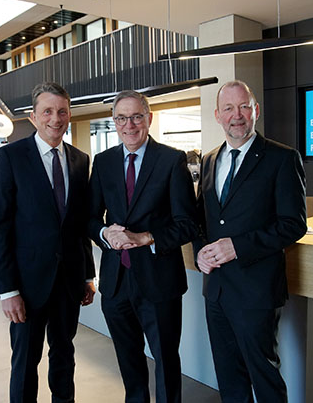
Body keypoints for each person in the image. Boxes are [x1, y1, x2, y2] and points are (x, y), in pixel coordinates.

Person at [195, 80, 307, 403]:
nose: (237, 115)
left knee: (265, 379)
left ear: (256, 110)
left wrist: (237, 246)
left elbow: (293, 224)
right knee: (229, 381)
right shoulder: (209, 160)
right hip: (215, 291)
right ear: (217, 115)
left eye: (244, 106)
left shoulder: (282, 158)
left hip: (256, 292)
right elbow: (202, 218)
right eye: (228, 108)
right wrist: (200, 251)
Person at [88, 90, 199, 403]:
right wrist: (103, 232)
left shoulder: (171, 159)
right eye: (122, 118)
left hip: (159, 280)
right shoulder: (104, 161)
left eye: (137, 116)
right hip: (115, 282)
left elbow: (188, 224)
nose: (130, 125)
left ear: (149, 119)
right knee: (128, 358)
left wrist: (146, 237)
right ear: (114, 122)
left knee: (165, 358)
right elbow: (90, 217)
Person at [0, 82, 96, 403]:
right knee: (25, 361)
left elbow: (78, 225)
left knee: (64, 356)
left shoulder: (79, 160)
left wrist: (87, 275)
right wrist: (7, 290)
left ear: (69, 115)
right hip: (27, 286)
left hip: (68, 283)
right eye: (47, 111)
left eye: (61, 111)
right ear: (33, 117)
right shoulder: (10, 158)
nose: (55, 118)